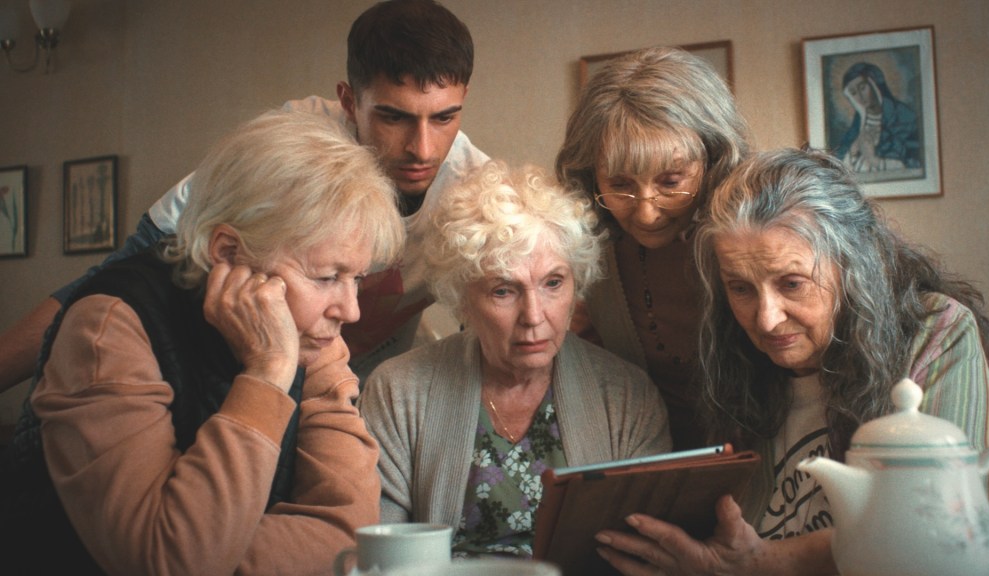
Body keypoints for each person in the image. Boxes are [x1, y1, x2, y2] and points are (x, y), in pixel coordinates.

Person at [0, 0, 487, 392]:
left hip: (362, 395)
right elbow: (107, 287)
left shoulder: (478, 193)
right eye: (394, 116)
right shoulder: (286, 149)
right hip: (248, 377)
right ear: (347, 100)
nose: (423, 148)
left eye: (444, 117)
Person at [0, 110, 405, 574]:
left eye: (356, 278)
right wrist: (267, 373)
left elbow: (350, 532)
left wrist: (220, 550)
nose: (350, 311)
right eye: (327, 277)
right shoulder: (109, 327)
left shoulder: (315, 336)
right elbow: (172, 560)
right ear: (228, 253)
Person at [594, 147, 989, 574]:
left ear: (853, 266)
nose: (766, 319)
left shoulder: (936, 332)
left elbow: (958, 536)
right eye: (741, 288)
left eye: (792, 284)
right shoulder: (737, 358)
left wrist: (763, 563)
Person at [358, 161, 671, 558]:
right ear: (462, 297)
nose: (534, 316)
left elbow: (645, 554)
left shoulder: (626, 398)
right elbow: (383, 556)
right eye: (504, 291)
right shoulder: (399, 391)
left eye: (553, 283)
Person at [555, 46, 752, 449]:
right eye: (621, 184)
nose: (646, 214)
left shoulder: (755, 241)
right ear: (591, 177)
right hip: (648, 466)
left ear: (714, 160)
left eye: (671, 181)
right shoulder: (587, 254)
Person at [833, 61, 921, 173]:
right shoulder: (858, 123)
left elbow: (913, 164)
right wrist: (853, 149)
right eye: (853, 93)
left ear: (874, 84)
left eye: (862, 87)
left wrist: (873, 159)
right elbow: (838, 168)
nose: (860, 96)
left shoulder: (904, 116)